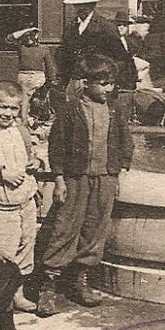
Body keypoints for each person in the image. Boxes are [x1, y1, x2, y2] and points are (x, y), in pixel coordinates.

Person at [36, 53, 133, 315]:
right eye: (102, 83)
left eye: (111, 83)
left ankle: (79, 281)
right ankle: (49, 286)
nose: (108, 89)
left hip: (104, 178)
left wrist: (121, 170)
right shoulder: (70, 110)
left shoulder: (114, 110)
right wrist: (59, 179)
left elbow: (125, 141)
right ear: (86, 83)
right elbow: (57, 146)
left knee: (94, 229)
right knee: (66, 226)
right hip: (76, 178)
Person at [0, 81, 41, 313]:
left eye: (14, 108)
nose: (8, 114)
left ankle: (18, 294)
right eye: (3, 107)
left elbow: (31, 156)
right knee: (4, 251)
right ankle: (0, 303)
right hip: (3, 203)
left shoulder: (21, 130)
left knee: (27, 244)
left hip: (25, 200)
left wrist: (36, 162)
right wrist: (1, 173)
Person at [56, 0, 131, 90]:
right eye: (77, 4)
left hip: (98, 85)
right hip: (75, 84)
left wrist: (106, 78)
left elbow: (122, 58)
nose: (81, 8)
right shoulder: (71, 27)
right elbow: (64, 56)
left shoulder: (105, 27)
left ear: (93, 4)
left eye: (85, 4)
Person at [7, 26, 58, 122]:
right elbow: (50, 67)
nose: (29, 38)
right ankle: (35, 121)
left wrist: (25, 30)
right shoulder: (42, 49)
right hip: (36, 78)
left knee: (25, 103)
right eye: (28, 35)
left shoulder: (22, 47)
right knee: (40, 101)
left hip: (27, 78)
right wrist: (51, 81)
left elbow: (10, 38)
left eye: (31, 35)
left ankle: (25, 122)